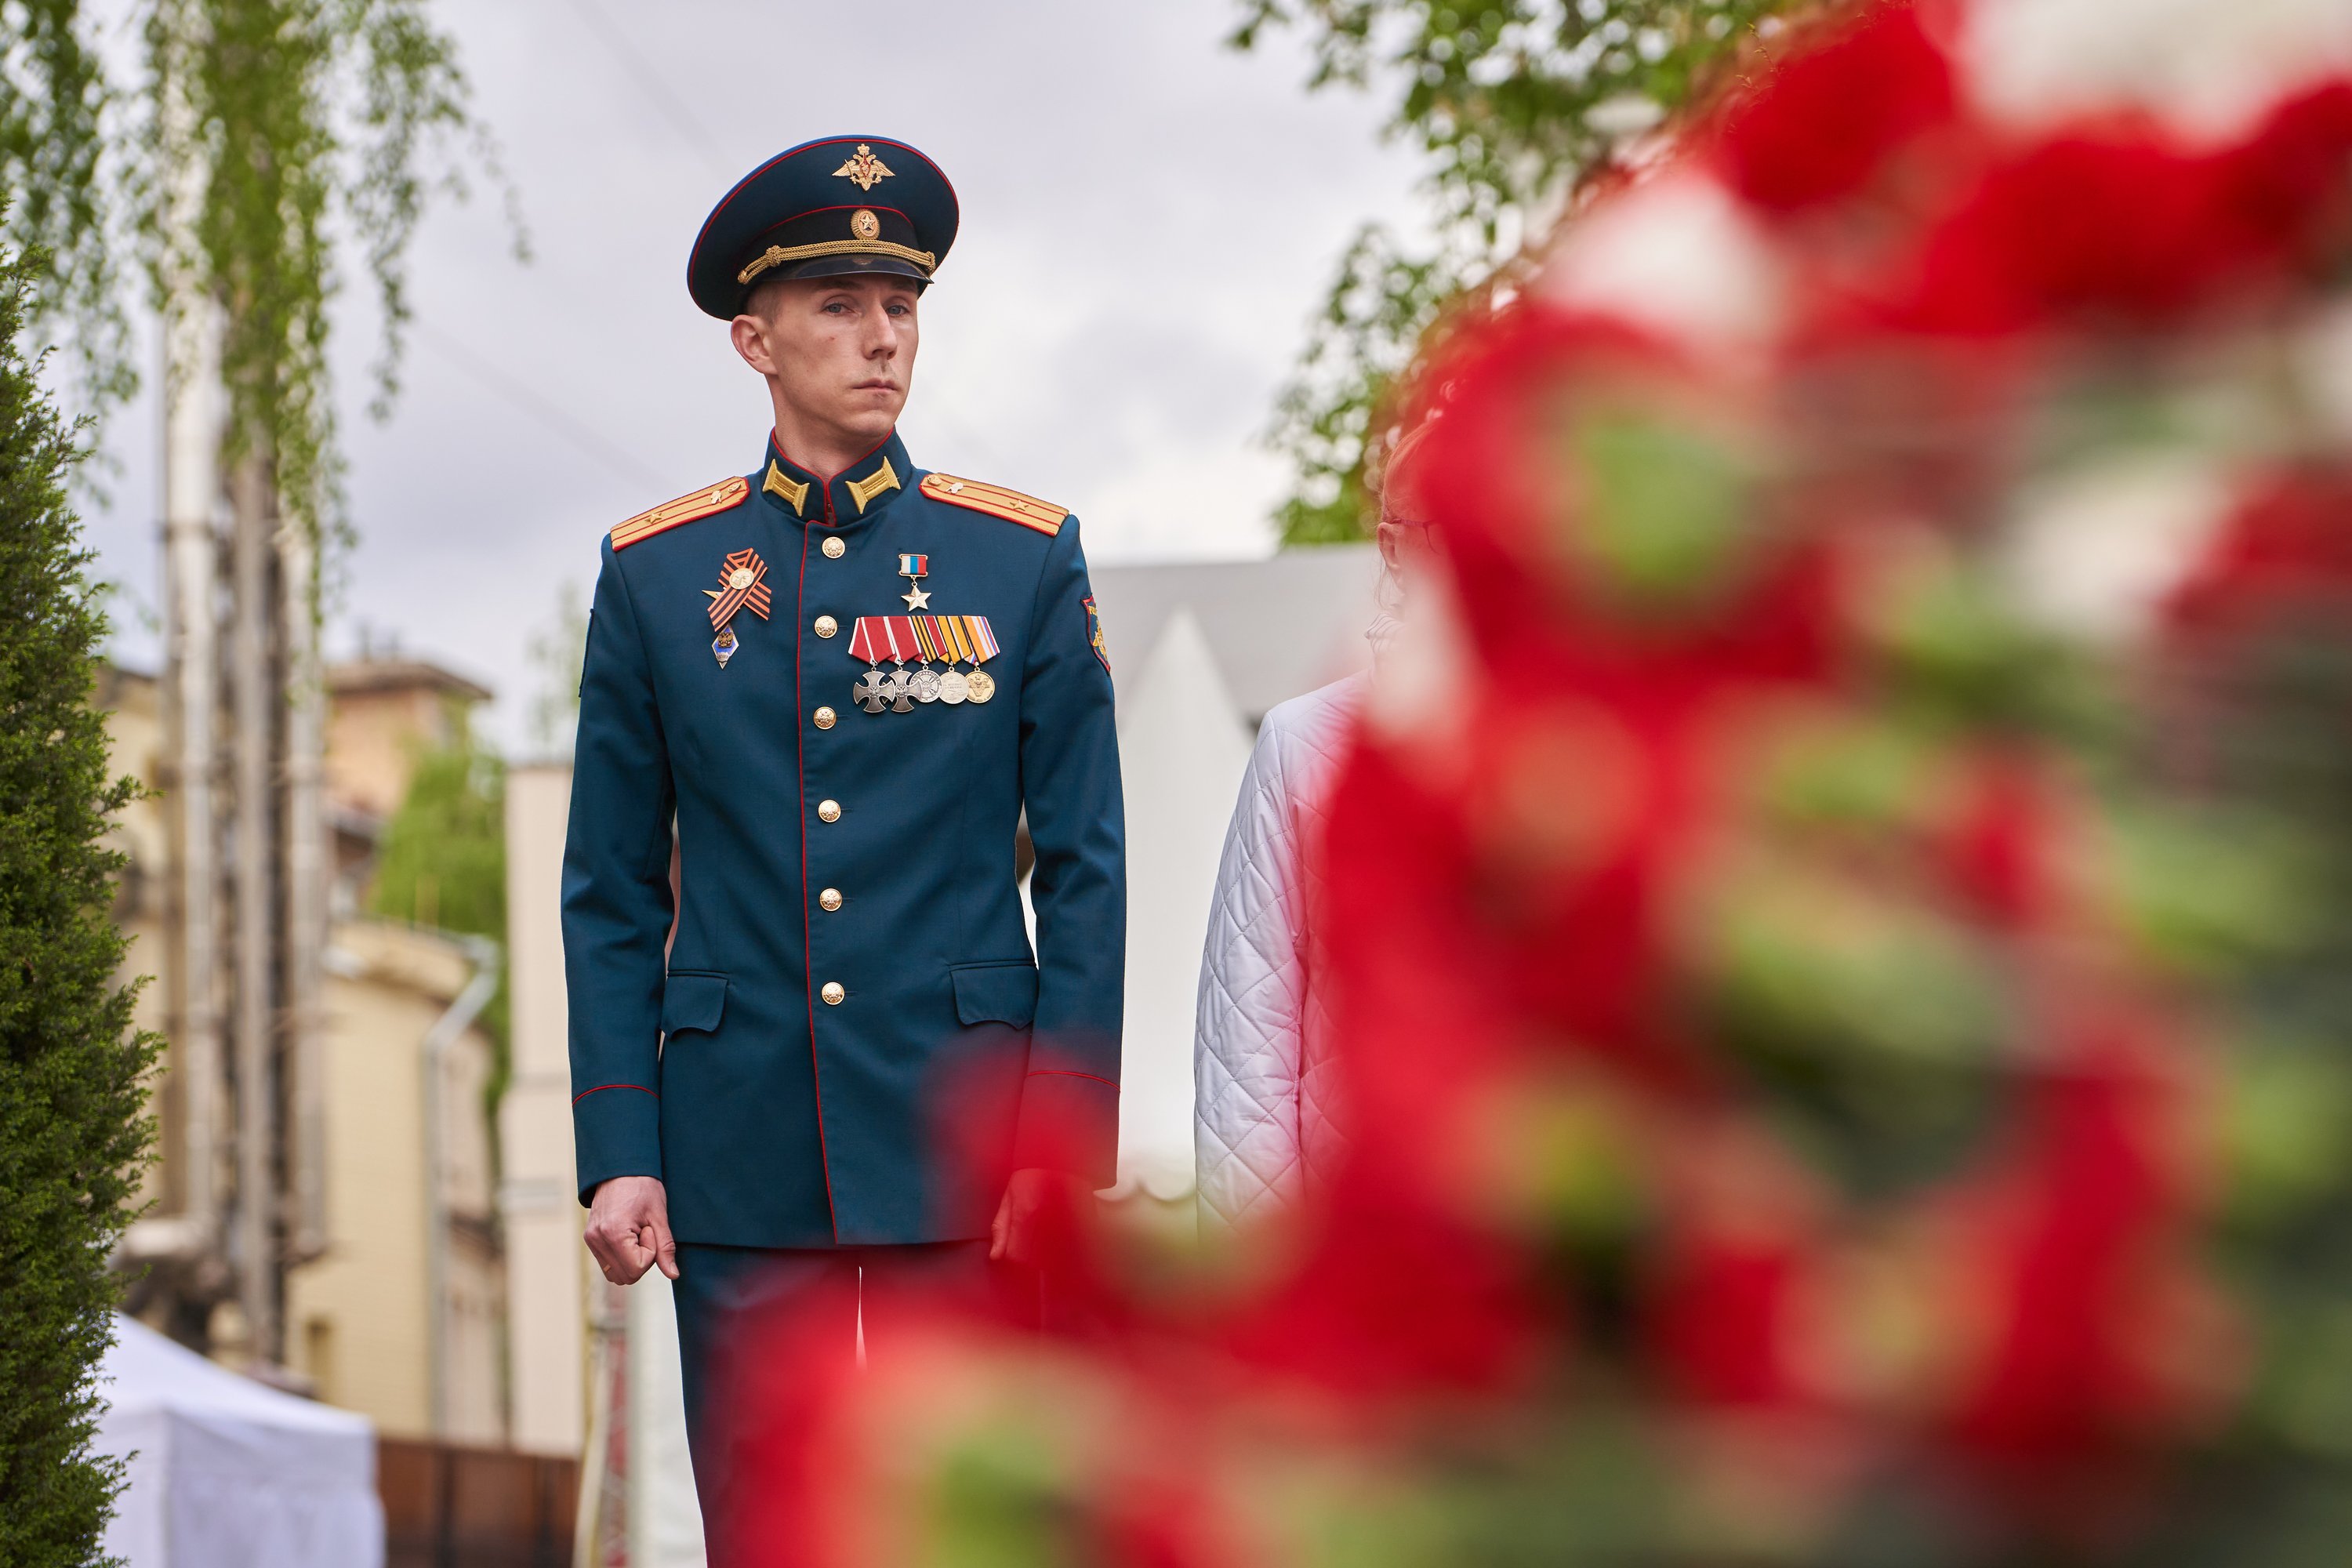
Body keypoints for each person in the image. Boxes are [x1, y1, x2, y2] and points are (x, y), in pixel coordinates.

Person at [561, 136, 1125, 1541]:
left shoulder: (1021, 559)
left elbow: (1087, 871)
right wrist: (621, 1144)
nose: (884, 338)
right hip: (738, 1147)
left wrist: (1059, 1141)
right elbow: (611, 888)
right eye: (839, 306)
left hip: (969, 1153)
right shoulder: (656, 575)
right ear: (753, 340)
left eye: (901, 305)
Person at [1192, 422, 1436, 1229]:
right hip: (1360, 1233)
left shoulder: (1589, 734)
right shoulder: (1304, 742)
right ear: (1394, 547)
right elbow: (1246, 1044)